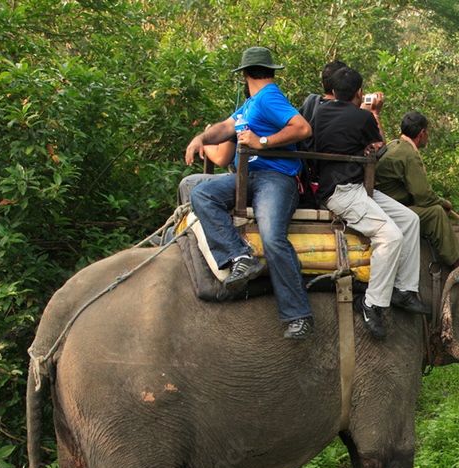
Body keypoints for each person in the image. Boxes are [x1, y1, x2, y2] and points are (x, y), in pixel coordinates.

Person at [184, 46, 314, 340]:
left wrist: (263, 141)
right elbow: (226, 127)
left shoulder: (269, 96)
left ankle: (299, 314)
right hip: (248, 176)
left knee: (272, 236)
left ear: (244, 75)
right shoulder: (251, 104)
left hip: (276, 178)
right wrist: (201, 137)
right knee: (203, 194)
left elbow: (302, 128)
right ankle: (241, 256)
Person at [311, 66, 428, 339]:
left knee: (411, 220)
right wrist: (374, 114)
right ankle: (371, 303)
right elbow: (380, 149)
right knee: (391, 237)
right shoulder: (361, 117)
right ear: (359, 93)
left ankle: (404, 289)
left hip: (356, 188)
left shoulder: (319, 110)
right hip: (342, 192)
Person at [374, 111, 459, 268]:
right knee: (436, 212)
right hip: (389, 211)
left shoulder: (394, 145)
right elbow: (423, 196)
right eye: (427, 132)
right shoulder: (409, 154)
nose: (427, 135)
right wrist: (444, 203)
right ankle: (455, 262)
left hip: (381, 204)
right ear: (422, 133)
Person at [177, 137, 235, 206]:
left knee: (187, 183)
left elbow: (221, 158)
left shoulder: (239, 127)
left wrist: (204, 143)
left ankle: (197, 215)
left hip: (241, 181)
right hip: (240, 177)